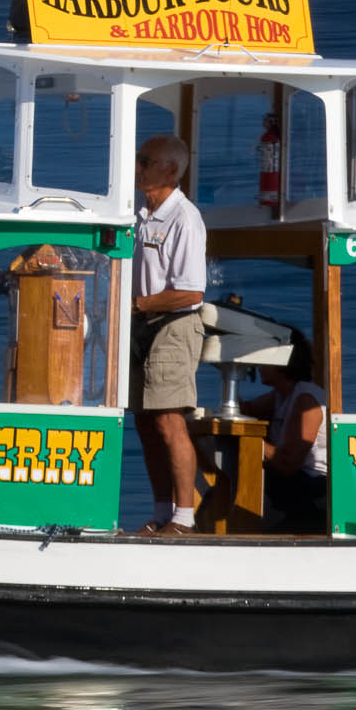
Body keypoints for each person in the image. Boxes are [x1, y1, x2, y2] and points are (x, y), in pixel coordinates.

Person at [131, 133, 207, 537]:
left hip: (172, 325)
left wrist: (137, 305)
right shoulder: (140, 213)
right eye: (139, 159)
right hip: (144, 324)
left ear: (171, 170)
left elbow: (192, 291)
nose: (137, 167)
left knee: (168, 420)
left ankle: (184, 517)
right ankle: (161, 512)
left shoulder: (184, 218)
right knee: (145, 422)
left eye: (145, 161)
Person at [239, 336, 328, 533]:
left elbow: (288, 463)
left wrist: (249, 442)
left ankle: (244, 527)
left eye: (265, 357)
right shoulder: (281, 394)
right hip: (295, 481)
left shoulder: (306, 399)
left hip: (315, 487)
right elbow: (245, 410)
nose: (259, 364)